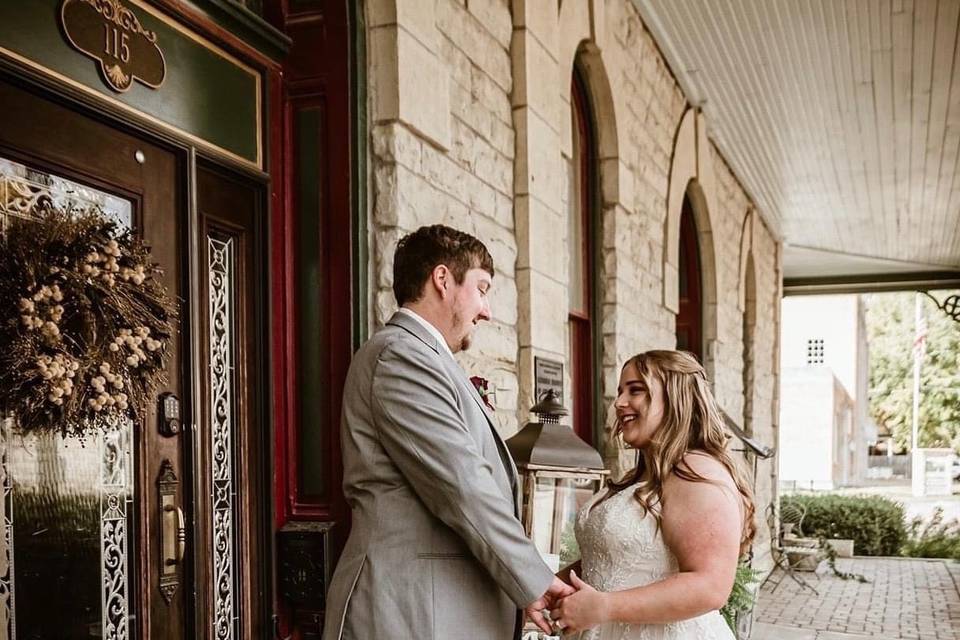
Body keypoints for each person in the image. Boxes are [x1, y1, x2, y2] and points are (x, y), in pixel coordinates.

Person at [321, 225, 572, 640]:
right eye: (482, 288)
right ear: (442, 279)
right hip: (408, 614)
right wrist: (534, 580)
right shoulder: (400, 356)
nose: (487, 310)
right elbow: (462, 486)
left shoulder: (424, 358)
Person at [549, 350, 756, 639]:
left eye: (636, 390)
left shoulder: (697, 472)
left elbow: (711, 587)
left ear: (676, 400)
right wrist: (548, 585)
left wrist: (605, 607)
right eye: (620, 391)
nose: (620, 403)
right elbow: (612, 559)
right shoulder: (645, 475)